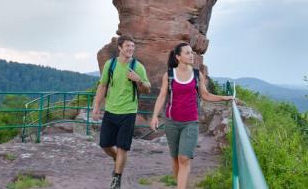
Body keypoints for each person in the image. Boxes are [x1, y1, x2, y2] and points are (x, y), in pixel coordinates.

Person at [150, 42, 234, 189]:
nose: (191, 55)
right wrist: (155, 116)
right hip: (171, 122)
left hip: (190, 123)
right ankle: (180, 185)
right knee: (176, 159)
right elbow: (162, 96)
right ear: (178, 57)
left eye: (192, 52)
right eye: (187, 53)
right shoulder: (169, 75)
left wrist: (224, 98)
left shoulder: (197, 74)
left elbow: (205, 95)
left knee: (184, 158)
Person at [92, 35, 151, 189]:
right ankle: (118, 160)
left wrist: (138, 80)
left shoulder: (138, 67)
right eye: (127, 46)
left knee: (123, 147)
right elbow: (103, 86)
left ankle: (116, 178)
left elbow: (147, 88)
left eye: (132, 46)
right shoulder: (110, 65)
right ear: (120, 47)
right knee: (105, 144)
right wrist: (96, 106)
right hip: (110, 110)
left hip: (129, 112)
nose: (131, 49)